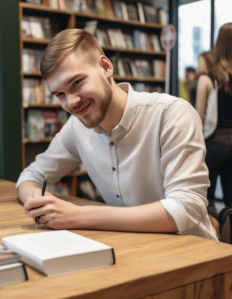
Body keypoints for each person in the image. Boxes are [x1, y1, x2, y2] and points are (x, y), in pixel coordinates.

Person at [17, 29, 217, 241]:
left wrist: (78, 215)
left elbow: (186, 208)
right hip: (132, 250)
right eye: (60, 94)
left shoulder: (171, 114)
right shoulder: (77, 127)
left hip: (196, 256)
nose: (71, 102)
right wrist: (40, 202)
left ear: (105, 67)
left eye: (76, 82)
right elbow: (30, 176)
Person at [195, 23, 232, 218]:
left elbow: (197, 118)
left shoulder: (207, 79)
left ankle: (213, 239)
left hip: (214, 144)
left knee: (204, 198)